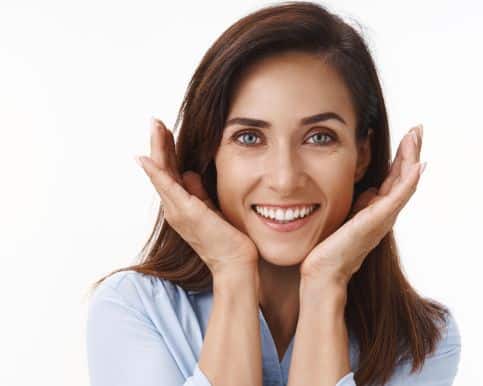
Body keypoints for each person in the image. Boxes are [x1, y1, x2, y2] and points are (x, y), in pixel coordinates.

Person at [85, 2, 461, 386]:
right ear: (210, 153)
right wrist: (232, 273)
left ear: (362, 154)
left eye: (319, 137)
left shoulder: (422, 341)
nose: (284, 179)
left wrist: (326, 285)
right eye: (249, 137)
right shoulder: (134, 310)